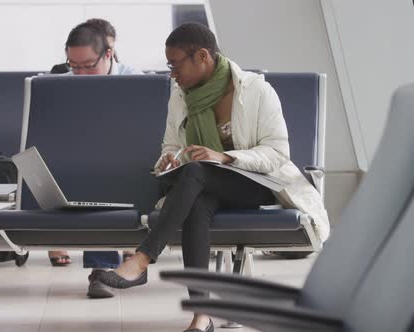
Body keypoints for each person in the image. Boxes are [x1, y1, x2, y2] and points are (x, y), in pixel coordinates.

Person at [96, 23, 330, 332]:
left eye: (175, 64)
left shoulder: (256, 90)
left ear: (203, 56)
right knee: (197, 201)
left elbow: (277, 153)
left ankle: (142, 258)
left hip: (254, 183)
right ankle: (201, 315)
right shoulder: (181, 97)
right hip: (202, 184)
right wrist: (170, 158)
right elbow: (171, 144)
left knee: (196, 173)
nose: (172, 73)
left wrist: (225, 157)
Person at [49, 21, 143, 299]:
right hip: (80, 168)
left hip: (130, 166)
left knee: (101, 177)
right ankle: (102, 272)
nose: (79, 74)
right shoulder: (57, 86)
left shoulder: (136, 82)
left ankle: (104, 272)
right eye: (73, 65)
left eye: (88, 65)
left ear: (108, 55)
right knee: (90, 175)